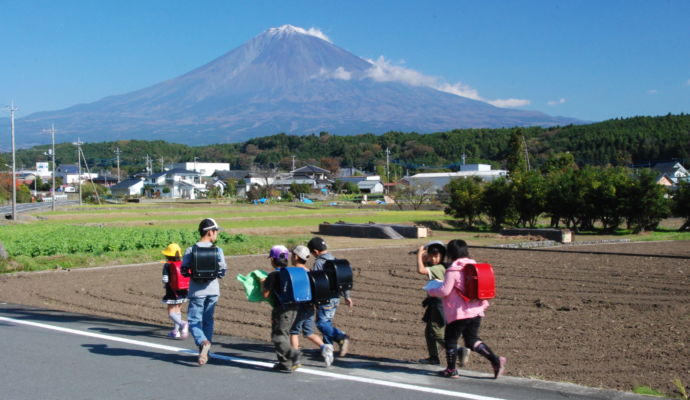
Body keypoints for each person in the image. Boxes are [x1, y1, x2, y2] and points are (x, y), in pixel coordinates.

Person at [427, 239, 506, 379]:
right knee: (471, 340)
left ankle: (451, 370)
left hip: (459, 312)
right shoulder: (474, 266)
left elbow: (445, 291)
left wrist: (432, 290)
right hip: (477, 310)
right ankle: (496, 360)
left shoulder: (453, 269)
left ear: (450, 253)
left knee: (450, 339)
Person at [415, 241, 471, 367]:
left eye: (436, 256)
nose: (433, 259)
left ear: (442, 256)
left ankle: (458, 350)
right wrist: (425, 256)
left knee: (436, 331)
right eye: (431, 256)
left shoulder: (438, 268)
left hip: (438, 303)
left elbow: (420, 269)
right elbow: (426, 264)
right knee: (429, 331)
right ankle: (433, 357)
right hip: (437, 303)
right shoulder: (444, 265)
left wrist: (419, 254)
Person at [181, 218, 227, 366]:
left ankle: (203, 342)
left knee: (194, 320)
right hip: (213, 291)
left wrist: (193, 275)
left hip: (196, 292)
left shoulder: (190, 249)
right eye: (216, 232)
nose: (217, 234)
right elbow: (222, 271)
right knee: (208, 320)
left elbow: (183, 270)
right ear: (210, 232)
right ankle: (206, 351)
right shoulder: (217, 250)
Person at [288, 245, 334, 367]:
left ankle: (295, 358)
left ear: (296, 257)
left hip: (300, 307)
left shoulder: (294, 273)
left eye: (292, 255)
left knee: (293, 331)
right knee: (308, 332)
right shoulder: (310, 272)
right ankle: (325, 347)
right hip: (310, 307)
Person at [308, 237, 352, 356]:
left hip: (325, 299)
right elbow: (343, 279)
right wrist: (347, 296)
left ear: (315, 251)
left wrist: (313, 300)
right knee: (327, 322)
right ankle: (328, 348)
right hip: (336, 298)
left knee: (321, 324)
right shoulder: (334, 259)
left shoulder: (319, 262)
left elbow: (317, 282)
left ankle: (341, 337)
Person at [262, 245, 302, 373]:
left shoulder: (273, 275)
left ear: (273, 260)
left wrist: (263, 283)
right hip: (295, 307)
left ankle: (293, 355)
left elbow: (266, 294)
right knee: (282, 334)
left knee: (278, 336)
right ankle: (284, 363)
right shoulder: (291, 272)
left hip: (282, 309)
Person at [161, 242, 189, 339]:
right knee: (178, 311)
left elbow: (165, 279)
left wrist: (165, 283)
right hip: (183, 291)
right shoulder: (182, 263)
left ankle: (183, 324)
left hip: (172, 291)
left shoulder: (167, 265)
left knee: (171, 312)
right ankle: (176, 331)